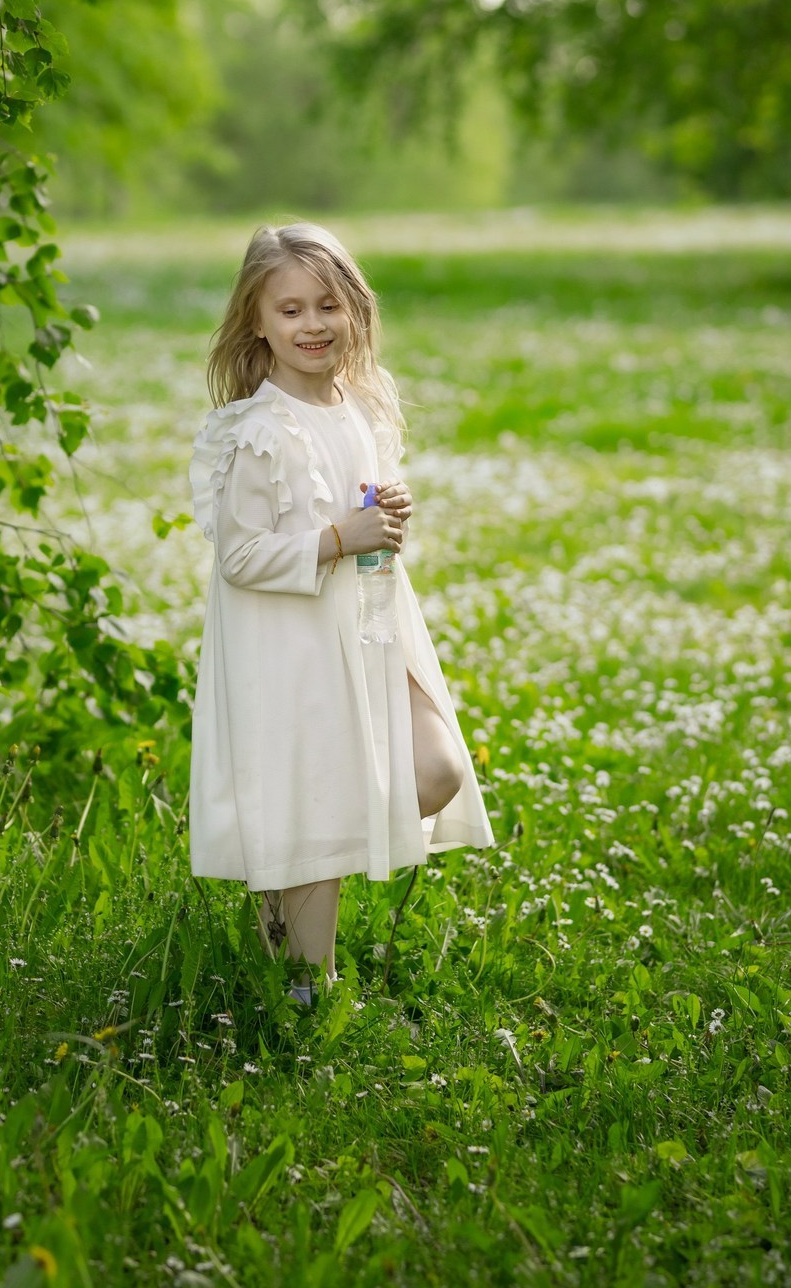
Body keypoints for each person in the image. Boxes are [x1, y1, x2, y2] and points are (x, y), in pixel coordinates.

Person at [188, 222, 495, 1001]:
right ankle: (300, 993)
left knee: (434, 767)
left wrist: (383, 510)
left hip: (369, 626)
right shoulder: (260, 432)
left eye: (328, 305)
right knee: (313, 796)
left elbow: (357, 505)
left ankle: (286, 896)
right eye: (289, 311)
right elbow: (239, 555)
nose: (312, 325)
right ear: (257, 322)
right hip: (290, 644)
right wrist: (335, 538)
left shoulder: (358, 402)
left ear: (355, 309)